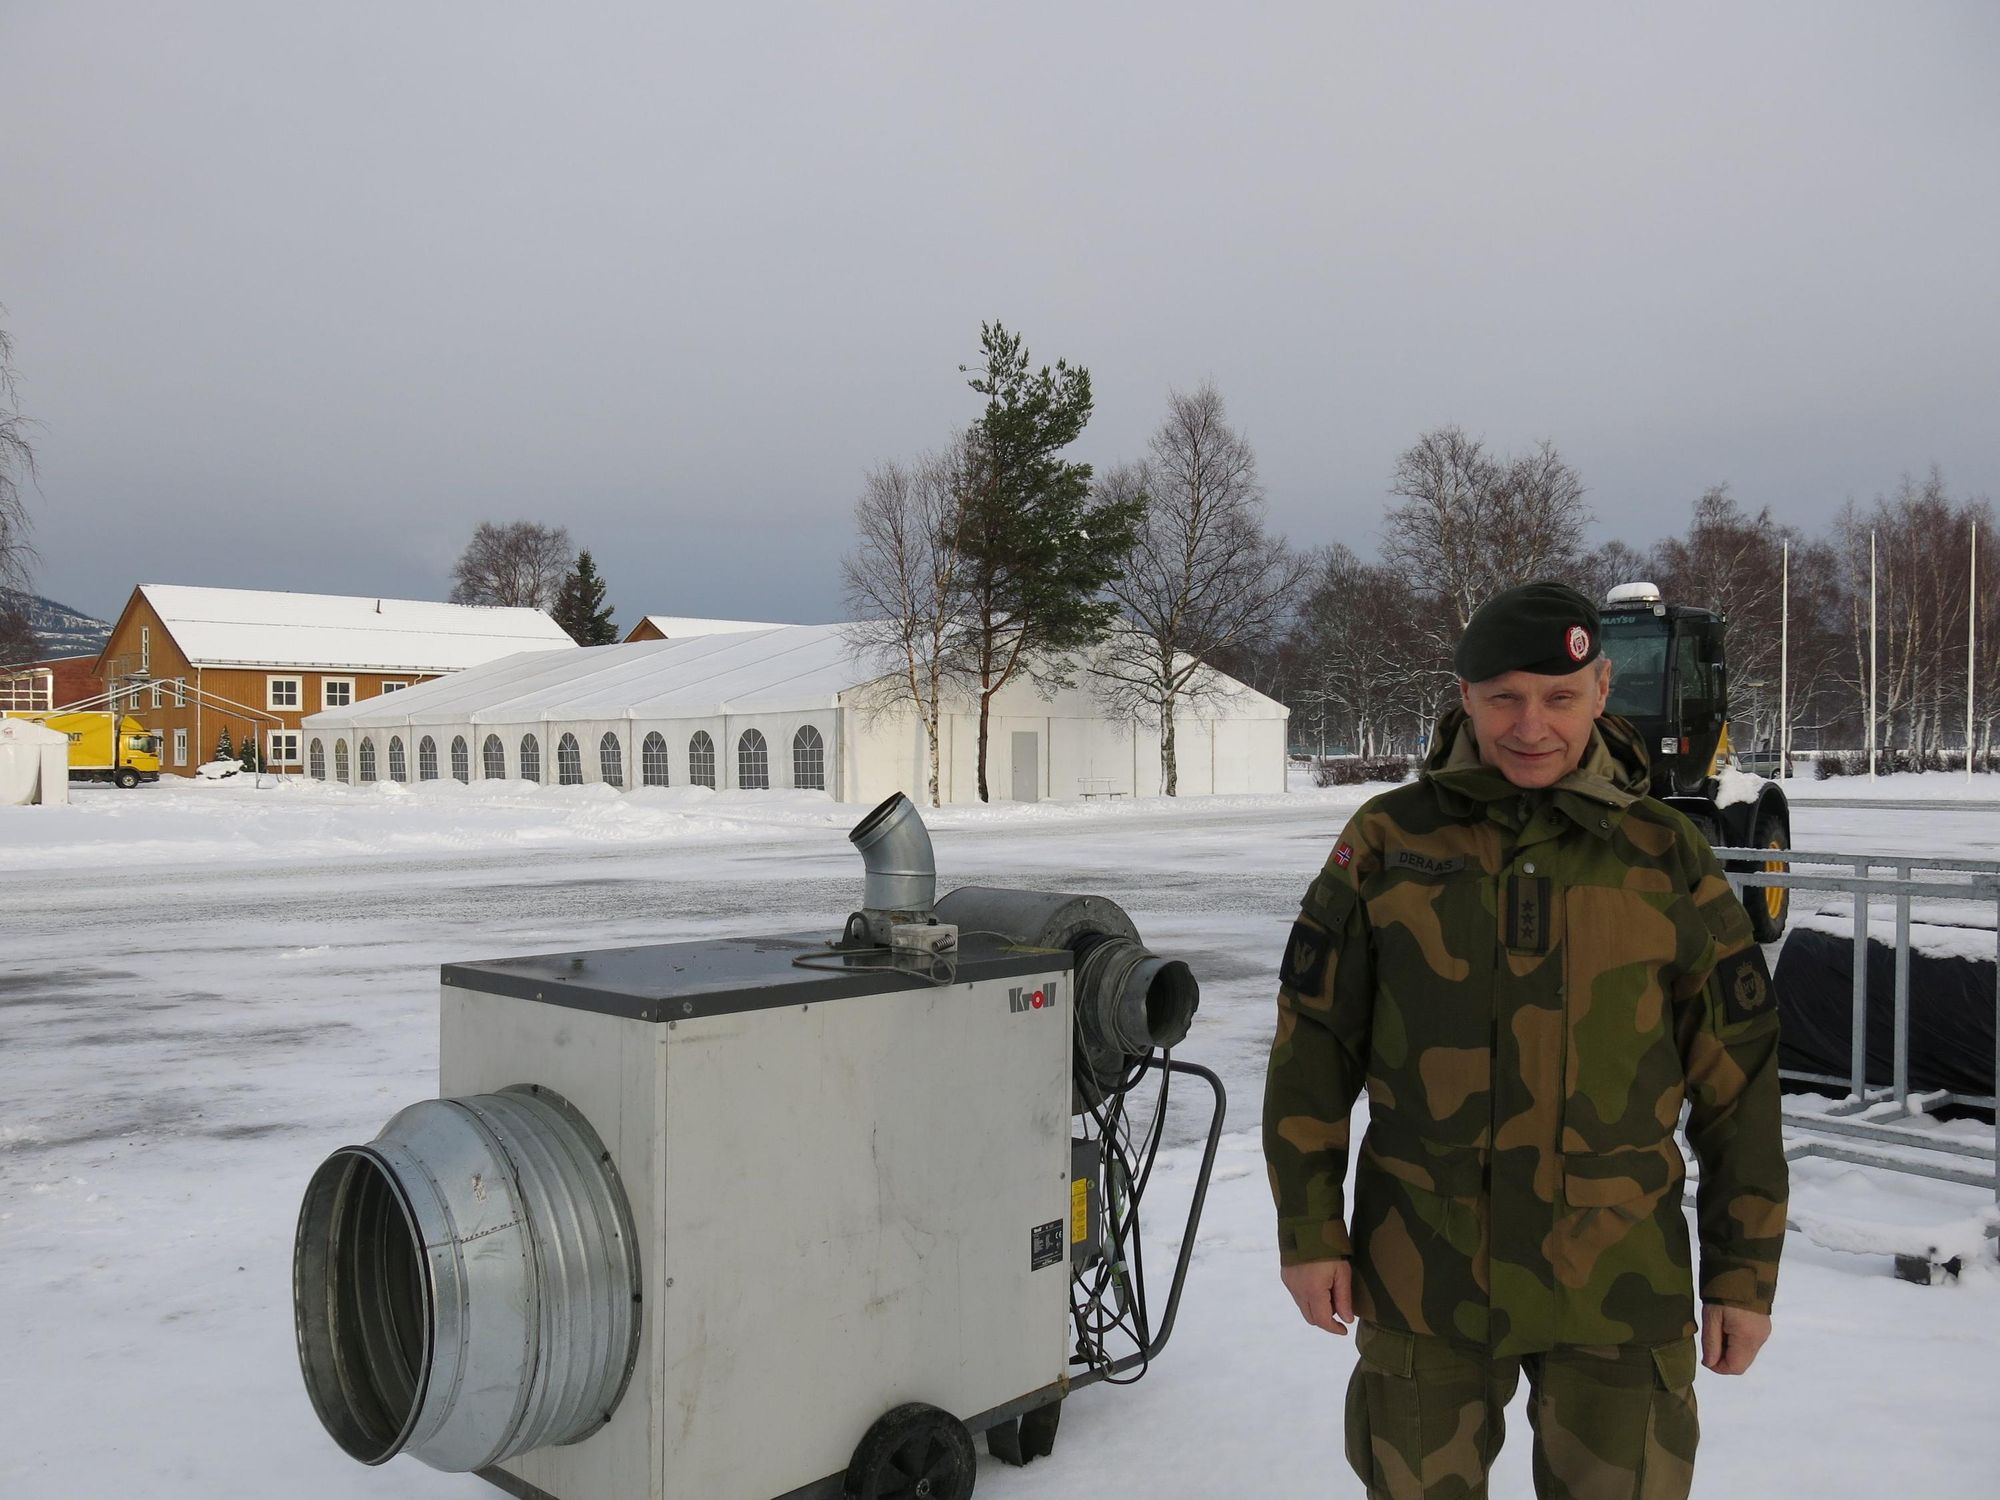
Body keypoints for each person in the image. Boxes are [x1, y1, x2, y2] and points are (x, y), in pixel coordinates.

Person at [1263, 581, 1786, 1500]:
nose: (1530, 725)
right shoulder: (1388, 841)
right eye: (1503, 696)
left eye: (1559, 697)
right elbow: (1312, 1049)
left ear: (1601, 689)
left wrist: (1742, 1273)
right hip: (1425, 1270)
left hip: (1619, 1279)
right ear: (1463, 695)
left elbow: (1737, 1080)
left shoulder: (1665, 856)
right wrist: (1310, 1231)